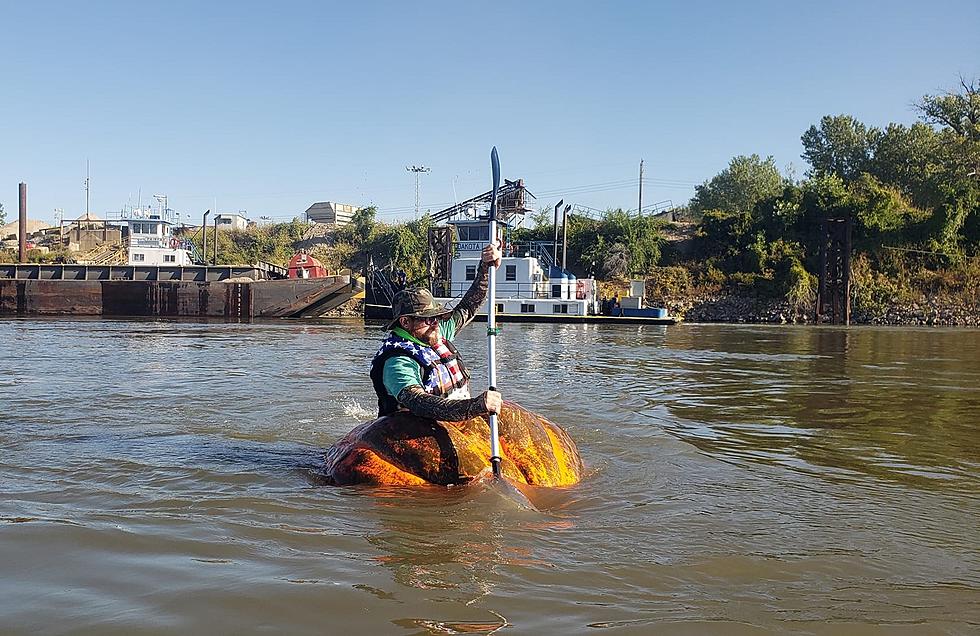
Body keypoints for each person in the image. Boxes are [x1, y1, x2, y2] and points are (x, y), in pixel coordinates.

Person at [370, 242, 503, 422]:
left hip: (456, 422)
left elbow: (468, 307)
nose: (436, 323)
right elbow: (418, 402)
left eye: (437, 317)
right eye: (428, 318)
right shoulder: (397, 361)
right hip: (410, 433)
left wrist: (486, 267)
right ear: (405, 322)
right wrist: (475, 406)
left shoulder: (435, 334)